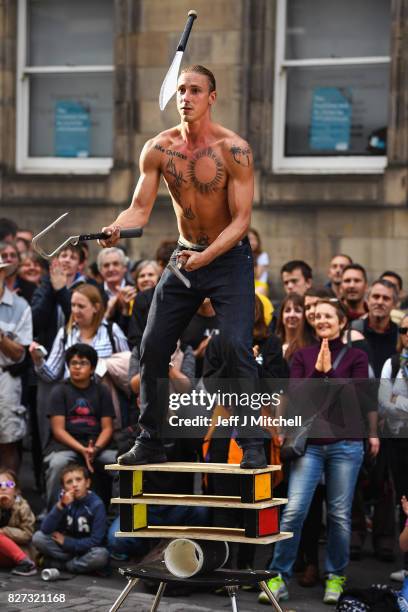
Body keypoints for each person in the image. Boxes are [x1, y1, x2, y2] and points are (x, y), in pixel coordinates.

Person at [100, 64, 266, 469]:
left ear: (212, 97)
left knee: (236, 346)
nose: (186, 98)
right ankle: (151, 439)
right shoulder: (159, 148)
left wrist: (206, 258)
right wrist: (117, 228)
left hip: (228, 258)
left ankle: (253, 445)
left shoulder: (235, 149)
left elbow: (242, 221)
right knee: (153, 346)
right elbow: (139, 209)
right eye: (181, 90)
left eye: (195, 90)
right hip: (185, 255)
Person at [260, 299, 378, 606]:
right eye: (318, 316)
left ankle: (336, 576)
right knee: (295, 510)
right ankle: (278, 576)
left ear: (341, 322)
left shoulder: (357, 356)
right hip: (309, 445)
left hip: (346, 444)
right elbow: (298, 397)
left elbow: (359, 398)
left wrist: (328, 377)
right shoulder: (302, 356)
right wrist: (318, 374)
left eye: (329, 315)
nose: (322, 319)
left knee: (339, 515)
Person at [42, 343, 117, 508]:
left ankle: (118, 514)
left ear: (92, 368)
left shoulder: (102, 391)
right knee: (57, 464)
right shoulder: (59, 391)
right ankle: (54, 513)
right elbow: (58, 430)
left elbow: (107, 428)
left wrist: (94, 449)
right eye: (73, 363)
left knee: (118, 464)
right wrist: (82, 450)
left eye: (82, 363)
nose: (76, 367)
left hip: (97, 445)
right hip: (65, 445)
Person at [32, 463, 109, 574]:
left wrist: (67, 542)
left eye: (78, 480)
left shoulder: (96, 504)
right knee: (38, 538)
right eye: (69, 482)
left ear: (87, 483)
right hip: (65, 550)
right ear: (64, 487)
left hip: (85, 549)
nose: (74, 485)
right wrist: (60, 506)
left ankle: (61, 565)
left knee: (101, 555)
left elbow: (96, 540)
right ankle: (78, 565)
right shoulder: (63, 500)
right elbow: (45, 529)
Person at [0, 254, 33, 472]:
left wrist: (1, 338)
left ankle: (9, 496)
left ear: (3, 274)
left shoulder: (21, 306)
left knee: (9, 442)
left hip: (6, 379)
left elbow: (20, 354)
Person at [0, 468, 37, 576]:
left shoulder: (23, 508)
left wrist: (5, 531)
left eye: (9, 484)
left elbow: (28, 534)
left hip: (20, 551)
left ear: (16, 490)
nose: (3, 488)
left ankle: (26, 564)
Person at [248, 227, 270, 296]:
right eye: (250, 239)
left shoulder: (263, 255)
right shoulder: (243, 255)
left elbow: (257, 275)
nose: (253, 242)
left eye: (255, 239)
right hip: (247, 285)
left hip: (259, 286)